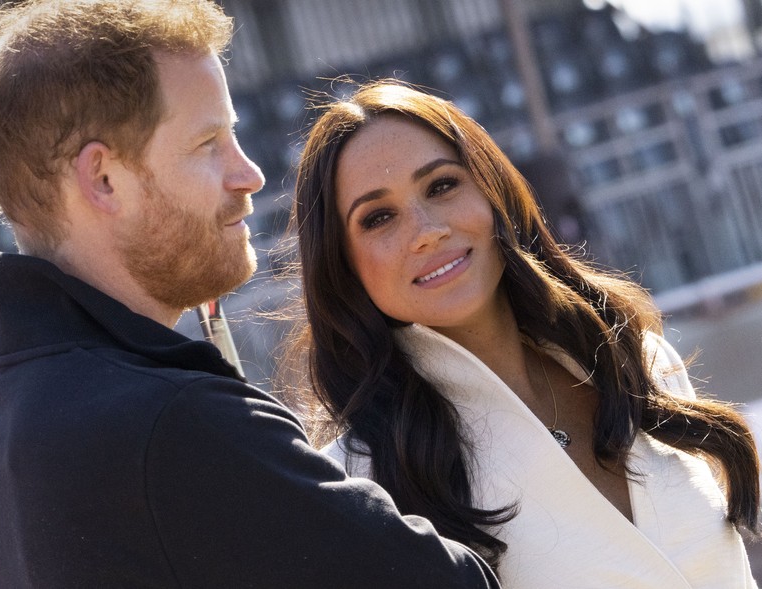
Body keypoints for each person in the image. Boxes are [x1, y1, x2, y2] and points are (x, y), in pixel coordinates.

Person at [0, 2, 500, 587]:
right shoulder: (173, 424)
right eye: (208, 142)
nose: (249, 174)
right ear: (104, 179)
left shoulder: (1, 420)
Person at [286, 80, 760, 588]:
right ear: (343, 265)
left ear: (493, 192)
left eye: (442, 185)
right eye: (379, 217)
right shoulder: (361, 479)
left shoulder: (636, 362)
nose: (427, 229)